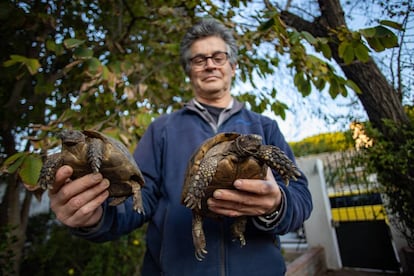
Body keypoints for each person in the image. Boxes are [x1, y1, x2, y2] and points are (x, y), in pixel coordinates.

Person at [49, 18, 313, 275]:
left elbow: (300, 197)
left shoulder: (263, 128)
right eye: (199, 60)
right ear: (189, 71)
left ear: (233, 66)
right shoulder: (162, 129)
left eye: (218, 57)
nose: (209, 65)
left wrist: (277, 202)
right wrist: (94, 215)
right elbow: (137, 198)